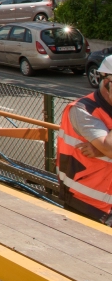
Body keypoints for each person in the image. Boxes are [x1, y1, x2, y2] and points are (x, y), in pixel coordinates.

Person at [57, 59, 112, 223]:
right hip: (88, 203)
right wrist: (104, 149)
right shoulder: (83, 110)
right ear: (107, 82)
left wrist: (98, 149)